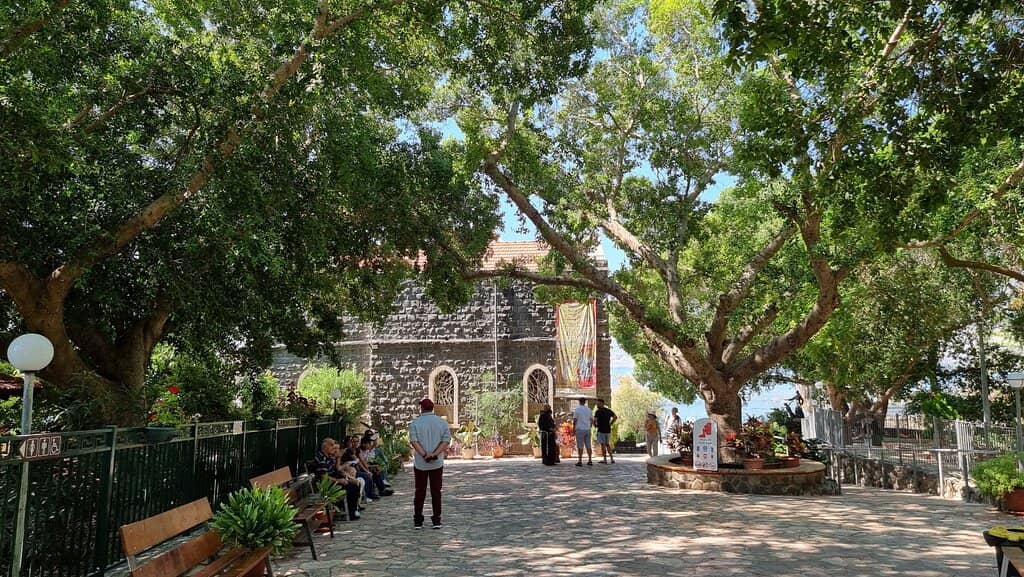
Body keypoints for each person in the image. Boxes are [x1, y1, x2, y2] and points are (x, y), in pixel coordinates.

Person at [409, 398, 451, 529]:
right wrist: (434, 454)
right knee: (436, 492)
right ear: (433, 408)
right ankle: (436, 520)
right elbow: (446, 441)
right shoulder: (442, 423)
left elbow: (414, 441)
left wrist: (424, 454)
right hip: (437, 463)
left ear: (421, 408)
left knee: (419, 491)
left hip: (421, 463)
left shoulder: (415, 423)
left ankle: (418, 520)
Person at [314, 438, 362, 520]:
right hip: (328, 485)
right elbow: (324, 477)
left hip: (335, 480)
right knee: (352, 487)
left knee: (355, 483)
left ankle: (354, 509)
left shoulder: (328, 457)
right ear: (326, 446)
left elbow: (336, 469)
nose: (334, 447)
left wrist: (345, 477)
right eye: (332, 445)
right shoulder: (321, 458)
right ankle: (352, 512)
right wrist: (339, 481)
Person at [593, 398, 617, 464]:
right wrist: (611, 423)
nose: (597, 405)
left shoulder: (598, 411)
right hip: (608, 430)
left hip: (601, 430)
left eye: (598, 403)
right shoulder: (609, 411)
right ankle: (612, 459)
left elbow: (594, 420)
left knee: (603, 445)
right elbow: (615, 417)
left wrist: (595, 425)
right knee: (607, 445)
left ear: (602, 403)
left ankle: (605, 459)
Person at [572, 397, 593, 467]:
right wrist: (590, 427)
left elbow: (575, 420)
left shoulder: (577, 409)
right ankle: (590, 460)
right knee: (588, 445)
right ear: (585, 402)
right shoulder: (589, 409)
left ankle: (580, 461)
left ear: (579, 402)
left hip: (580, 429)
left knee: (580, 445)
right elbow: (592, 420)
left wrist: (573, 428)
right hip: (587, 429)